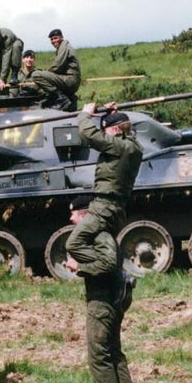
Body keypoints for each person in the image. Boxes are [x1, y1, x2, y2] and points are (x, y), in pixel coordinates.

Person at [64, 194, 139, 383]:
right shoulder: (99, 234)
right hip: (107, 296)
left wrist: (80, 267)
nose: (71, 219)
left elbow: (107, 264)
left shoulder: (99, 234)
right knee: (113, 349)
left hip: (103, 299)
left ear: (85, 215)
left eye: (74, 214)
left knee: (99, 351)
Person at [65, 102, 143, 264]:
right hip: (113, 208)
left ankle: (108, 266)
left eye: (105, 131)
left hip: (104, 208)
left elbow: (90, 134)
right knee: (101, 244)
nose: (104, 135)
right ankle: (108, 270)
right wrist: (109, 116)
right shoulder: (132, 146)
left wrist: (85, 114)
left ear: (115, 130)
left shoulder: (120, 146)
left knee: (74, 244)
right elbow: (113, 130)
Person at [31, 28, 81, 111]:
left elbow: (57, 66)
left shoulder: (63, 47)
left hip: (70, 80)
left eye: (56, 38)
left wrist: (46, 73)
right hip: (70, 80)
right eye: (52, 39)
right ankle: (68, 99)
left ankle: (61, 99)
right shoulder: (63, 47)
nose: (54, 41)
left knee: (36, 75)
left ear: (62, 37)